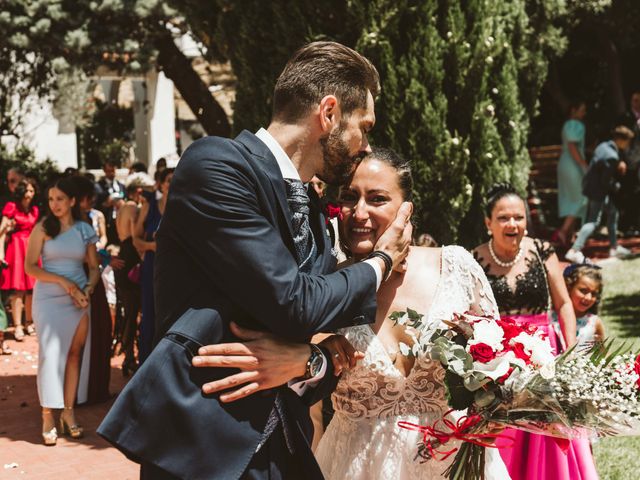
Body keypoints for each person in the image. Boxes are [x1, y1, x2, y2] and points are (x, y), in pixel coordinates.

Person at [98, 41, 412, 480]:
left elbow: (320, 338)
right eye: (365, 126)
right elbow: (296, 302)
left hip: (281, 451)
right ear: (329, 113)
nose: (365, 144)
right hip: (201, 450)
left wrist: (309, 362)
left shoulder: (314, 209)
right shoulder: (216, 165)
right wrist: (381, 261)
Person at [472, 183, 597, 480]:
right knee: (507, 435)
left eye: (519, 217)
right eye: (503, 217)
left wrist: (570, 352)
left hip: (545, 355)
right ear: (489, 222)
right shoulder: (474, 258)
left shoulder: (542, 251)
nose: (512, 224)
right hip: (500, 359)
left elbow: (564, 303)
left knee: (550, 432)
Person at [25, 177, 100, 445]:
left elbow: (93, 267)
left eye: (59, 199)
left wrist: (88, 289)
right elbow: (30, 267)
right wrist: (63, 282)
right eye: (50, 199)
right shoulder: (43, 228)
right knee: (50, 354)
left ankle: (68, 412)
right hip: (48, 298)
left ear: (71, 201)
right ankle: (48, 415)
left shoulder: (84, 229)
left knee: (74, 355)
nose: (54, 204)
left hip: (78, 300)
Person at [564, 126, 634, 263]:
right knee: (593, 222)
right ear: (620, 140)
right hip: (599, 191)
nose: (628, 145)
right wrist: (617, 186)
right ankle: (574, 250)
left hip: (590, 187)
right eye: (627, 142)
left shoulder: (603, 146)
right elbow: (605, 181)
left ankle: (614, 247)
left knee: (613, 212)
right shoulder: (612, 156)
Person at [72, 175, 113, 404]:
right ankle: (88, 390)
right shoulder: (81, 223)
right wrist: (106, 259)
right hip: (86, 282)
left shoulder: (82, 220)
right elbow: (91, 258)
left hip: (83, 280)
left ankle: (86, 389)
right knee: (94, 333)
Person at [133, 168, 174, 363]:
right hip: (151, 265)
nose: (171, 184)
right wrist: (152, 246)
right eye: (168, 180)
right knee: (149, 314)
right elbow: (136, 239)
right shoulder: (150, 207)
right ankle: (145, 363)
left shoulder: (183, 206)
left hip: (175, 269)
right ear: (161, 184)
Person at [1, 178, 39, 342]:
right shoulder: (11, 207)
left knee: (32, 289)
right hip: (16, 248)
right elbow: (2, 229)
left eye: (32, 191)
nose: (30, 194)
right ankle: (17, 325)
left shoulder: (35, 210)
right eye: (27, 190)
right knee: (18, 289)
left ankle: (29, 322)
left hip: (31, 247)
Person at [556, 100, 588, 247]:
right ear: (573, 110)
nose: (584, 113)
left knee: (571, 197)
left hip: (565, 163)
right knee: (581, 198)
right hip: (573, 165)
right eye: (581, 110)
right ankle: (563, 231)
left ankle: (569, 234)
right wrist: (583, 164)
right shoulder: (575, 124)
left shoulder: (566, 125)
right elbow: (572, 146)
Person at [552, 264, 605, 349]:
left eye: (594, 294)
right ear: (569, 288)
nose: (588, 297)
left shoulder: (594, 323)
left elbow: (601, 354)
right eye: (583, 291)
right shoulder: (551, 316)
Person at [616, 89, 640, 235]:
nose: (637, 104)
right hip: (628, 162)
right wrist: (620, 160)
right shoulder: (625, 117)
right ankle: (625, 226)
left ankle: (636, 224)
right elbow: (619, 140)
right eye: (635, 100)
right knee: (628, 193)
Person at [95, 159, 125, 247]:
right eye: (108, 171)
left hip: (120, 221)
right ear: (104, 171)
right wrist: (106, 204)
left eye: (113, 170)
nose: (111, 173)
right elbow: (96, 205)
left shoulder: (121, 186)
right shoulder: (98, 186)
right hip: (107, 222)